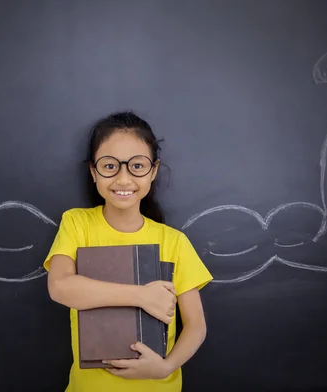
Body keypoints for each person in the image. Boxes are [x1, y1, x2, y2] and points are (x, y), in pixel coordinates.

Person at [43, 111, 213, 391]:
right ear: (93, 171)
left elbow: (196, 326)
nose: (123, 179)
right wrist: (141, 296)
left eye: (137, 166)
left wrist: (166, 367)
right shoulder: (77, 223)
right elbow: (60, 287)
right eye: (110, 166)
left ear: (153, 171)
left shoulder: (174, 241)